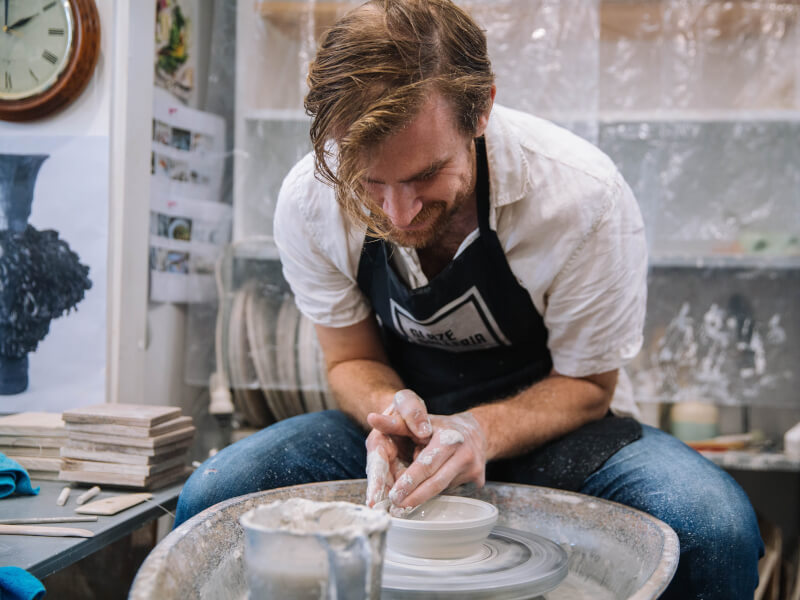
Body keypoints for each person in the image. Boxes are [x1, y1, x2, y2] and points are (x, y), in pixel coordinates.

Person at [176, 1, 763, 596]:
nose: (397, 213)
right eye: (369, 183)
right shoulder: (309, 200)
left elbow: (589, 387)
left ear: (480, 108)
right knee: (214, 496)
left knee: (713, 526)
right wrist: (388, 412)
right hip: (405, 441)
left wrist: (477, 431)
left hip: (559, 430)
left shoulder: (582, 199)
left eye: (425, 175)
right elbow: (348, 360)